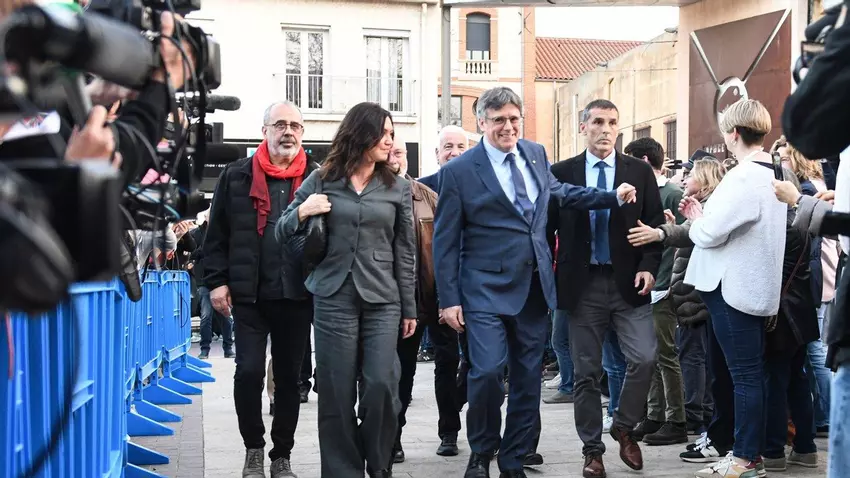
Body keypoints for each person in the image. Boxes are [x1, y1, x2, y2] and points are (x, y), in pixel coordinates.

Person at [434, 86, 637, 478]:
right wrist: (449, 299)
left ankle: (513, 460)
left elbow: (561, 193)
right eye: (498, 120)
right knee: (487, 373)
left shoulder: (535, 153)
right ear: (481, 123)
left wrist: (609, 197)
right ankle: (481, 452)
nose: (508, 127)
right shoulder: (459, 171)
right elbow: (445, 241)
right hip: (483, 291)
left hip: (533, 289)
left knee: (528, 381)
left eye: (514, 119)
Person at [278, 102, 417, 478]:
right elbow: (281, 230)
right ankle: (343, 471)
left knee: (382, 385)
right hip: (333, 296)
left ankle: (379, 462)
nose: (389, 141)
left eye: (392, 134)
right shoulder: (322, 179)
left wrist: (409, 307)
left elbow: (405, 251)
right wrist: (303, 210)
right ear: (360, 134)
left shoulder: (398, 187)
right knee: (336, 392)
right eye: (383, 133)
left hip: (382, 299)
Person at [547, 99, 663, 478]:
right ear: (584, 127)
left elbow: (653, 225)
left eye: (613, 122)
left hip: (628, 282)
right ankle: (592, 451)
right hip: (582, 286)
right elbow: (546, 231)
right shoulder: (562, 172)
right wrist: (548, 280)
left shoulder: (638, 172)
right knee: (585, 372)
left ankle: (624, 426)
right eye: (598, 122)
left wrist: (648, 267)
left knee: (644, 357)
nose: (606, 129)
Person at [204, 101, 318, 478]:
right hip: (249, 295)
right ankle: (253, 448)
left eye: (295, 126)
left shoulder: (317, 177)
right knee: (248, 372)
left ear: (302, 133)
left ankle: (281, 455)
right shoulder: (236, 175)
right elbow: (216, 235)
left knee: (289, 380)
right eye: (280, 125)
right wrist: (216, 282)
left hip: (296, 296)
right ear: (264, 130)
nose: (288, 132)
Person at [681, 99, 786, 478]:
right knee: (749, 375)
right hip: (750, 286)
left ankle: (744, 458)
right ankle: (748, 455)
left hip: (734, 288)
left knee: (744, 377)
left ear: (734, 133)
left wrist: (696, 217)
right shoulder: (772, 172)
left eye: (726, 129)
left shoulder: (744, 177)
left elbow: (709, 232)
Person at [623, 136, 688, 446]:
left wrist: (671, 281)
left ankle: (676, 419)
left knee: (666, 355)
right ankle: (654, 414)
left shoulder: (672, 194)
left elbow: (686, 237)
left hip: (663, 285)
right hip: (641, 285)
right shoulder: (637, 192)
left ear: (645, 161)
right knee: (646, 355)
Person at [387, 135, 438, 463]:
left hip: (415, 302)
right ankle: (375, 429)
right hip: (375, 301)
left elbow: (442, 250)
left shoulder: (427, 197)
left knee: (404, 373)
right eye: (388, 152)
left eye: (400, 152)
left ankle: (394, 434)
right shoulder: (364, 192)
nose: (395, 158)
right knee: (373, 374)